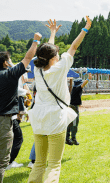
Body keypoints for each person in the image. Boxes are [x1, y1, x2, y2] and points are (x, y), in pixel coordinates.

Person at [27, 17, 91, 183]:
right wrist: (85, 28)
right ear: (54, 57)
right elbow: (74, 46)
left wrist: (53, 33)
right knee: (54, 164)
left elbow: (46, 51)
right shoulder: (61, 67)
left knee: (39, 163)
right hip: (55, 117)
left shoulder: (37, 69)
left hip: (38, 117)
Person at [0, 32, 41, 183]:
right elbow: (28, 58)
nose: (11, 62)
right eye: (9, 60)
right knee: (0, 162)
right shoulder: (10, 74)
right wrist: (36, 41)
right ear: (5, 63)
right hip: (1, 121)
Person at [66, 73, 91, 146]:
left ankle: (67, 138)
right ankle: (73, 139)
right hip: (74, 107)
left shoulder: (74, 89)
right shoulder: (77, 88)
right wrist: (88, 78)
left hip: (71, 106)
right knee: (74, 124)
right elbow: (83, 84)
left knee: (70, 123)